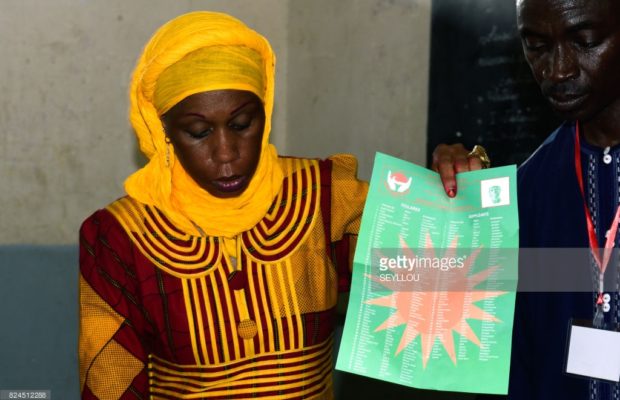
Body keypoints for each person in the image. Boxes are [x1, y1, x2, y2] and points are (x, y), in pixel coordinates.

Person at [78, 11, 469, 399]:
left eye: (242, 124)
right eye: (198, 133)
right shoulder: (120, 238)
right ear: (161, 130)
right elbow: (111, 384)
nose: (226, 153)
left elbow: (466, 264)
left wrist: (462, 181)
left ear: (264, 115)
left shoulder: (321, 198)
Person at [434, 0, 620, 398]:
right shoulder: (528, 192)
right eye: (536, 47)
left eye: (585, 41)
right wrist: (450, 207)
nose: (558, 70)